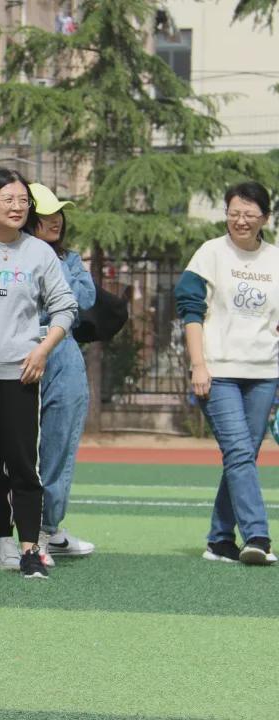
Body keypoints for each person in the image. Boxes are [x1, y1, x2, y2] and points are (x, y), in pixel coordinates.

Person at [0, 168, 77, 580]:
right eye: (8, 199)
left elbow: (66, 308)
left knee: (22, 464)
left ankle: (28, 549)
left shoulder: (39, 253)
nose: (18, 206)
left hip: (20, 376)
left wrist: (42, 350)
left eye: (24, 200)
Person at [175, 181, 279, 566]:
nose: (240, 220)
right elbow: (189, 309)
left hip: (265, 373)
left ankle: (219, 541)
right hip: (219, 372)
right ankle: (258, 536)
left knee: (243, 457)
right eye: (234, 212)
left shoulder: (275, 259)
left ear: (264, 218)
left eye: (249, 214)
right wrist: (198, 364)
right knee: (238, 452)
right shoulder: (210, 253)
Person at [28, 184, 96, 561]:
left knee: (60, 441)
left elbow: (83, 299)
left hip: (64, 350)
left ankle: (48, 526)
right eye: (47, 214)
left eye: (59, 214)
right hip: (20, 347)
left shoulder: (69, 258)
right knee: (8, 445)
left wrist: (50, 271)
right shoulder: (12, 254)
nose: (55, 220)